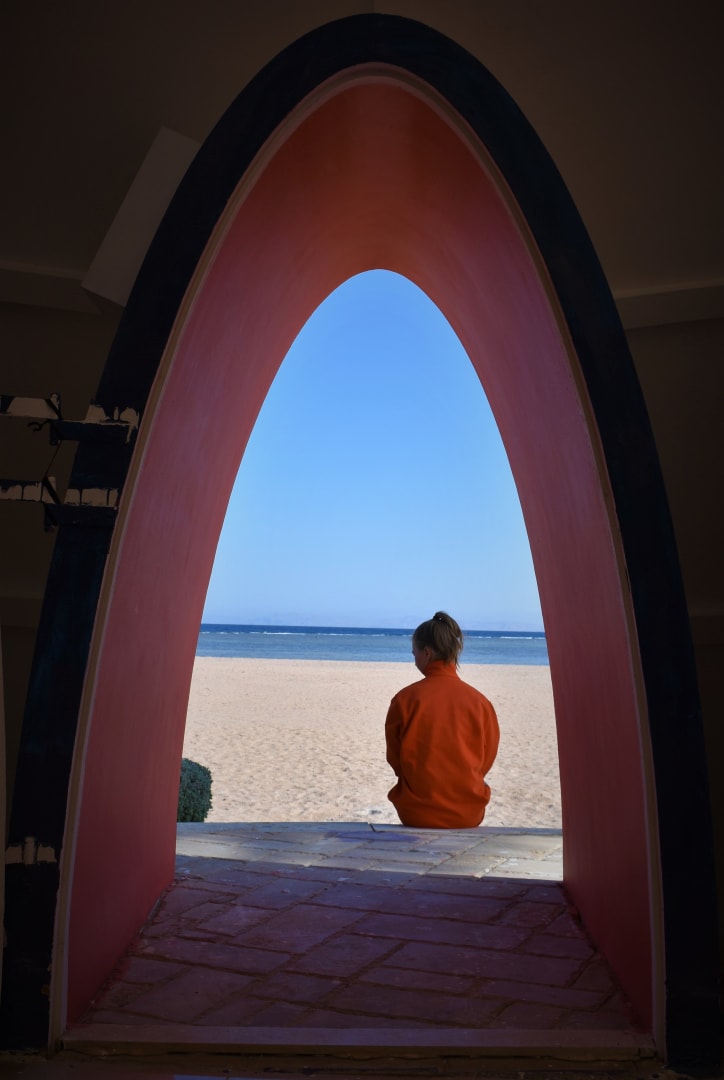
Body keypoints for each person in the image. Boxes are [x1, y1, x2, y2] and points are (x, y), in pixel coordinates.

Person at [385, 611, 500, 828]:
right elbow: (486, 758)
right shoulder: (480, 702)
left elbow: (395, 758)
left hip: (416, 813)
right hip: (468, 814)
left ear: (427, 653)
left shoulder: (405, 699)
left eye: (414, 654)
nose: (414, 660)